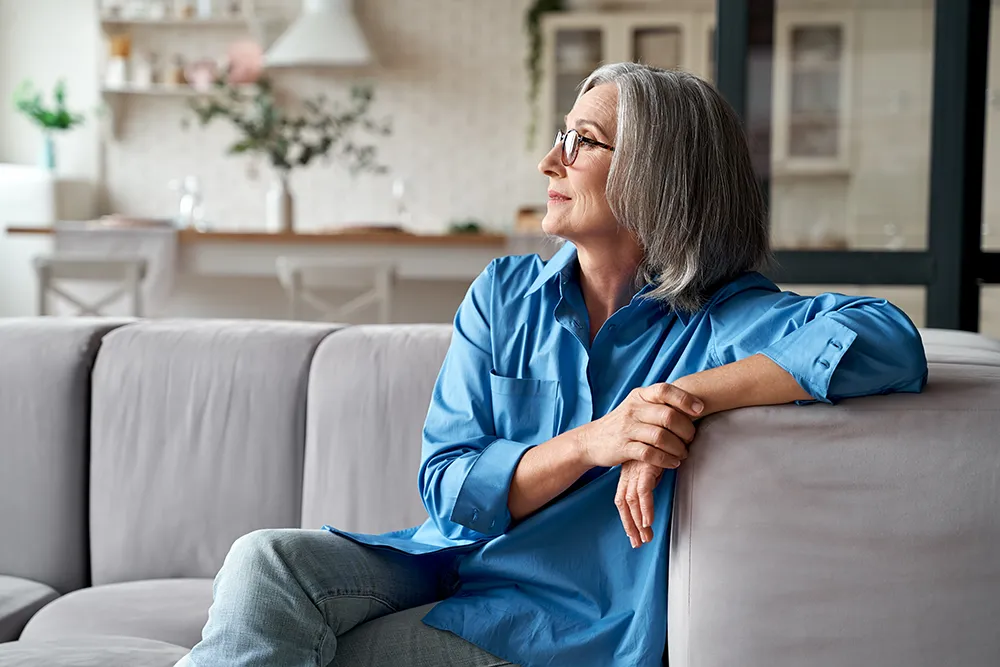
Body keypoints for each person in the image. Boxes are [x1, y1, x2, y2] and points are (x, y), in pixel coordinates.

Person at [176, 63, 928, 667]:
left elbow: (887, 338)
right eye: (560, 137)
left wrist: (679, 394)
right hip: (451, 564)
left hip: (556, 624)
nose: (549, 161)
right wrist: (597, 439)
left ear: (657, 173)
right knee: (265, 560)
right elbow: (447, 488)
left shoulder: (726, 319)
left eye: (580, 142)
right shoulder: (505, 295)